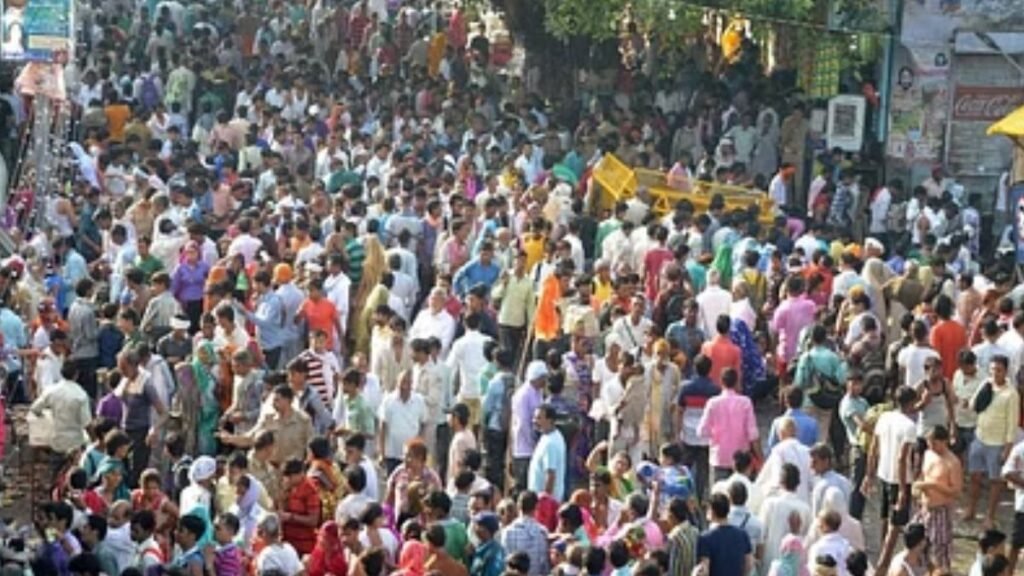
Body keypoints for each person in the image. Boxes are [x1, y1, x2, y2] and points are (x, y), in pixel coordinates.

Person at [696, 492, 754, 576]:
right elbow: (749, 564)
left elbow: (705, 570)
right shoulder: (742, 534)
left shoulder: (705, 538)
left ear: (712, 511)